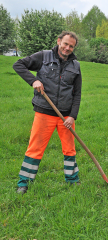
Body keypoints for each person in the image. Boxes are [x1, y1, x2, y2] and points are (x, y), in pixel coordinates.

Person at [13, 31, 82, 194]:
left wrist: (72, 116)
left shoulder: (75, 65)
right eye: (65, 44)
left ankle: (72, 179)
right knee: (35, 147)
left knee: (69, 149)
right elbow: (18, 65)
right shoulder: (44, 56)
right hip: (44, 112)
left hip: (65, 115)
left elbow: (77, 93)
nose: (67, 48)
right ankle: (24, 182)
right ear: (59, 41)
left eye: (71, 46)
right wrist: (33, 80)